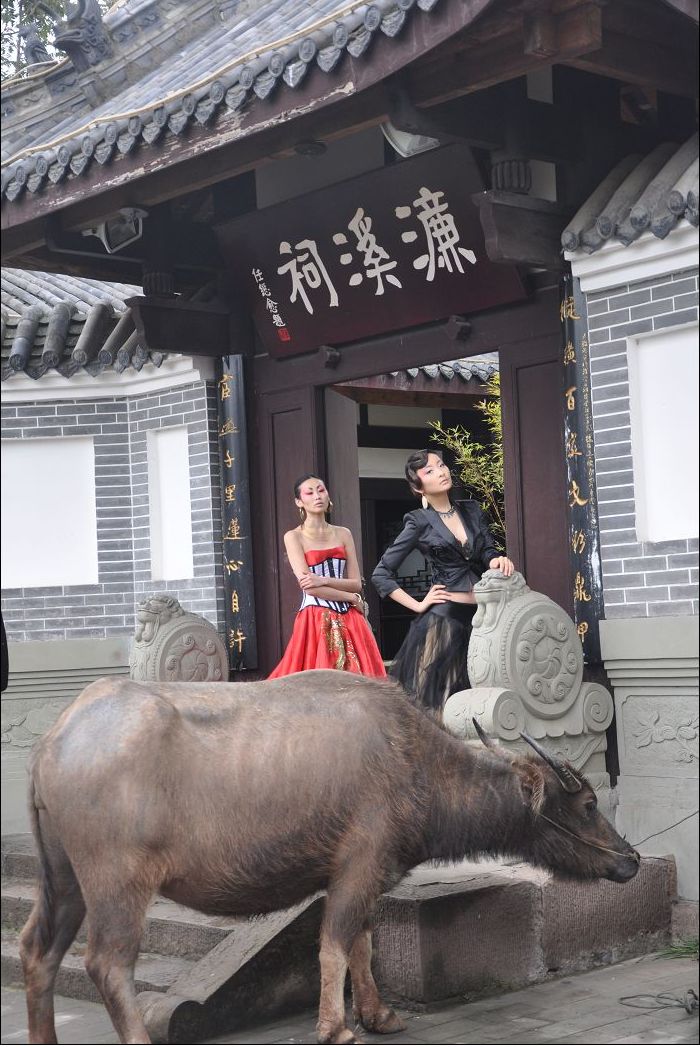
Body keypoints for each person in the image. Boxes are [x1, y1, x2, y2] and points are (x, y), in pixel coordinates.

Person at [371, 450, 514, 712]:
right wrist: (418, 605)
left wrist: (496, 559)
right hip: (445, 619)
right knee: (436, 700)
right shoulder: (418, 521)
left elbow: (487, 549)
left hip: (484, 615)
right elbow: (381, 574)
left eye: (441, 465)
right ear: (419, 488)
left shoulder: (471, 509)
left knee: (479, 697)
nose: (440, 472)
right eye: (430, 471)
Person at [269, 474, 386, 679]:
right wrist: (350, 598)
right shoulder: (293, 536)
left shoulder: (343, 533)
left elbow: (356, 583)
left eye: (321, 490)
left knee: (363, 680)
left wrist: (323, 580)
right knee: (318, 679)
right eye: (309, 493)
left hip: (351, 617)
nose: (317, 496)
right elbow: (309, 587)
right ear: (299, 502)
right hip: (315, 616)